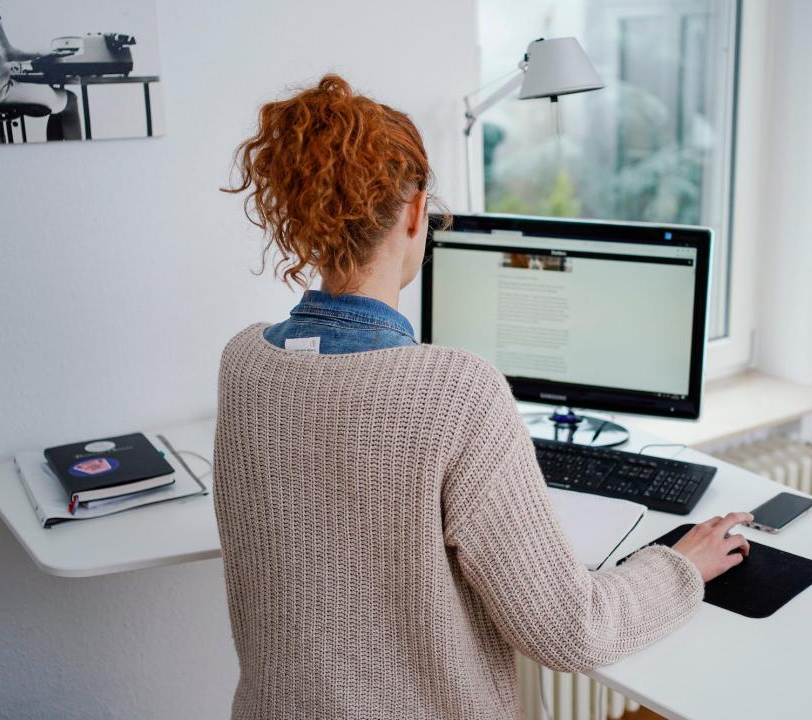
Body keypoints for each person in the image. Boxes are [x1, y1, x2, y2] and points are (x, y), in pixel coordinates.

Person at [214, 74, 752, 720]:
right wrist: (679, 566)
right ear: (416, 213)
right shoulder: (455, 394)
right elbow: (571, 629)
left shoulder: (243, 363)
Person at [0, 0, 81, 140]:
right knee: (70, 100)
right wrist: (47, 52)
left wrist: (6, 67)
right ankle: (71, 158)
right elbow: (8, 54)